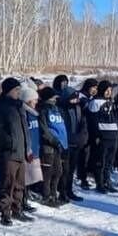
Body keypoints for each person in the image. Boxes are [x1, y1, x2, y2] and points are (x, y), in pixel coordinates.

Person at [0, 78, 33, 226]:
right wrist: (9, 142)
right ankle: (5, 212)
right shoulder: (0, 105)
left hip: (21, 151)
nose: (18, 93)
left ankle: (17, 209)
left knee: (20, 184)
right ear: (8, 91)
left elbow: (24, 128)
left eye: (19, 90)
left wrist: (28, 147)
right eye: (16, 90)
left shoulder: (19, 105)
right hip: (8, 152)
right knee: (7, 184)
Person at [54, 75, 85, 203]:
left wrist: (81, 137)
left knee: (71, 170)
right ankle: (62, 192)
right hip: (65, 143)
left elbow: (81, 124)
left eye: (76, 99)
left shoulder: (77, 108)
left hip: (75, 142)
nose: (75, 101)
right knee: (64, 170)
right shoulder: (61, 109)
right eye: (73, 99)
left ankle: (69, 190)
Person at [37, 86, 68, 207]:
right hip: (48, 146)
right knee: (48, 172)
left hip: (59, 146)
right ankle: (47, 195)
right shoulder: (43, 110)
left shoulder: (56, 110)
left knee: (58, 171)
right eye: (54, 97)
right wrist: (53, 140)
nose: (56, 99)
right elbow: (44, 129)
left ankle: (54, 194)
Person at [88, 80, 118, 193]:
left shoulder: (111, 102)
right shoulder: (95, 102)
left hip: (113, 135)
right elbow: (92, 121)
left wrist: (117, 132)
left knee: (109, 162)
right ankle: (100, 183)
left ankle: (108, 181)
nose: (109, 92)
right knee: (100, 161)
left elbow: (115, 118)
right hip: (102, 136)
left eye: (110, 90)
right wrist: (96, 135)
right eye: (107, 90)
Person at [21, 85, 43, 209]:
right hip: (27, 151)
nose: (36, 102)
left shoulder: (34, 113)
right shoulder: (25, 114)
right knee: (25, 178)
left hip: (35, 150)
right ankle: (22, 201)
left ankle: (27, 195)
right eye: (35, 100)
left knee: (31, 177)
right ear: (29, 100)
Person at [76, 78, 99, 189]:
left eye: (96, 88)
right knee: (83, 154)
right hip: (82, 129)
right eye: (93, 87)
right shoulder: (81, 97)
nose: (95, 90)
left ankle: (90, 173)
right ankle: (82, 177)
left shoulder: (92, 98)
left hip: (91, 128)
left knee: (91, 153)